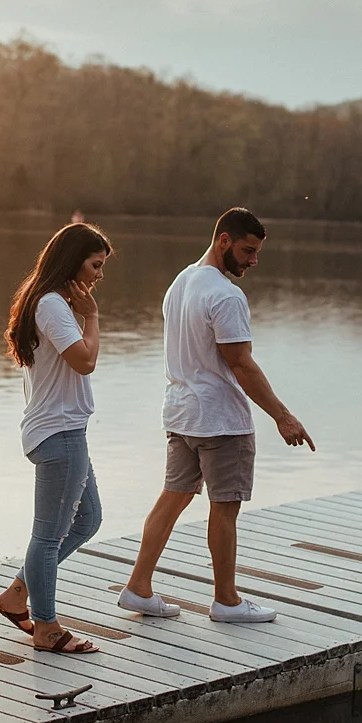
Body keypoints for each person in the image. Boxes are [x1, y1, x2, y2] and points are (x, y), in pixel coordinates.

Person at [117, 207, 314, 624]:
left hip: (181, 414)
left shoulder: (181, 282)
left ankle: (138, 587)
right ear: (223, 240)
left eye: (257, 252)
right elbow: (241, 364)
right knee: (224, 508)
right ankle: (226, 601)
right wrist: (283, 416)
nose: (253, 261)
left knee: (172, 498)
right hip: (221, 421)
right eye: (247, 250)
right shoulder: (225, 295)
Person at [0, 222, 111, 653]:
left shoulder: (47, 302)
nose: (99, 275)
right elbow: (84, 362)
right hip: (59, 435)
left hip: (64, 431)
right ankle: (47, 628)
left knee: (87, 520)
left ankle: (18, 594)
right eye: (95, 265)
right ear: (72, 260)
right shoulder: (53, 306)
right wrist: (93, 318)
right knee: (48, 536)